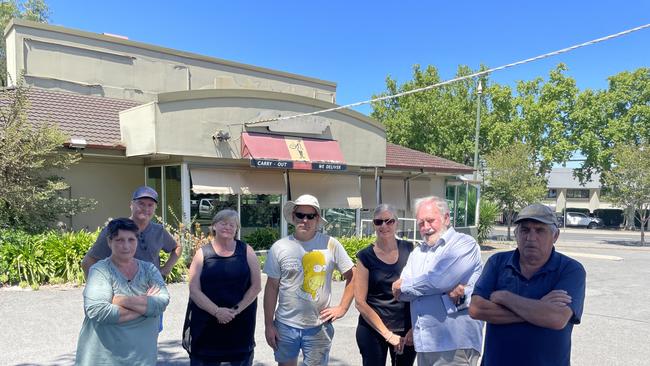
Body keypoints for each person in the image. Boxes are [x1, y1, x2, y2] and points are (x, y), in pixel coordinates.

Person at [469, 203, 586, 366]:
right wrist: (540, 308)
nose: (531, 238)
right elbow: (476, 309)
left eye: (539, 230)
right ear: (516, 233)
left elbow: (557, 318)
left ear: (555, 236)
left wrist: (504, 297)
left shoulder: (570, 269)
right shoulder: (497, 262)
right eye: (524, 230)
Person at [263, 194, 355, 366]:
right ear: (293, 216)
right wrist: (269, 325)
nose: (305, 220)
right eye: (300, 215)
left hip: (318, 326)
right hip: (285, 325)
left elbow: (353, 276)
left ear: (317, 219)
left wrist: (342, 308)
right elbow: (271, 288)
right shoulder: (279, 247)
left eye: (310, 216)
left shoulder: (331, 244)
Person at [392, 196, 483, 366]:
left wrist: (409, 285)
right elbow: (401, 295)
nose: (426, 227)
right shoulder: (418, 253)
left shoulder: (464, 244)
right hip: (425, 344)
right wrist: (434, 288)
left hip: (455, 344)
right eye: (421, 223)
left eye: (430, 220)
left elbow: (437, 281)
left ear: (446, 218)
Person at [75, 218, 170, 365]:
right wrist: (146, 306)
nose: (126, 246)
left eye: (131, 240)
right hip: (105, 359)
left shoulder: (149, 269)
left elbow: (161, 303)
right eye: (119, 240)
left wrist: (119, 300)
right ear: (109, 242)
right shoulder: (100, 271)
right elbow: (98, 311)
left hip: (142, 359)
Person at [182, 209, 262, 366]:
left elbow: (256, 287)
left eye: (232, 224)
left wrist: (235, 311)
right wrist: (217, 311)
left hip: (239, 324)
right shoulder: (202, 253)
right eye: (223, 223)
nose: (228, 227)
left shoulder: (247, 251)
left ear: (237, 229)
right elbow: (194, 290)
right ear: (214, 227)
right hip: (207, 326)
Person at [354, 204, 416, 366]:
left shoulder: (410, 250)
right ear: (373, 224)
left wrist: (415, 328)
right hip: (373, 329)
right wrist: (388, 335)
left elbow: (420, 291)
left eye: (389, 221)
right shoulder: (364, 256)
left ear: (397, 223)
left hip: (406, 330)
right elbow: (360, 302)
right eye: (378, 222)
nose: (384, 226)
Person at [81, 186, 182, 278]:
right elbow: (88, 262)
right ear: (131, 205)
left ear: (155, 208)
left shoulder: (159, 231)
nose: (146, 209)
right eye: (141, 204)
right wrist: (96, 290)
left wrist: (166, 269)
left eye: (150, 205)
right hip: (122, 292)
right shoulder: (114, 229)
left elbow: (177, 248)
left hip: (152, 290)